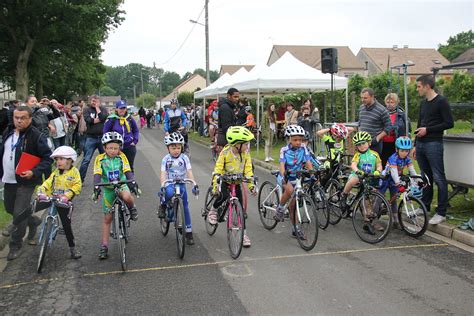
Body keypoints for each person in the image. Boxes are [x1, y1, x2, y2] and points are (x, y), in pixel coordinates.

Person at [6, 146, 83, 259]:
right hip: (51, 197)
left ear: (70, 160)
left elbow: (77, 185)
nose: (58, 162)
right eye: (56, 159)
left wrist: (67, 195)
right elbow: (47, 182)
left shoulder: (74, 172)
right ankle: (14, 224)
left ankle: (72, 248)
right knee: (31, 208)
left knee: (66, 225)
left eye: (61, 159)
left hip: (63, 200)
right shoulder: (56, 172)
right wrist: (41, 191)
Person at [0, 106, 53, 260]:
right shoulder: (8, 132)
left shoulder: (36, 136)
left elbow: (48, 158)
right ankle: (33, 221)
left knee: (19, 213)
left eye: (23, 118)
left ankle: (15, 245)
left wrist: (34, 172)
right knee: (11, 208)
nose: (19, 121)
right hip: (9, 180)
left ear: (30, 119)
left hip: (25, 181)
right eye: (16, 117)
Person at [413, 75, 454, 225]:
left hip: (434, 144)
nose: (417, 89)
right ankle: (424, 206)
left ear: (427, 86)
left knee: (438, 177)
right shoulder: (423, 103)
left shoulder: (441, 102)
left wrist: (428, 130)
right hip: (422, 144)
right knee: (425, 177)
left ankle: (441, 212)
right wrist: (415, 144)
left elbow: (449, 123)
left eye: (418, 86)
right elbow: (419, 123)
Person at [92, 132, 139, 260]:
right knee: (107, 219)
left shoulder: (122, 157)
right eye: (109, 148)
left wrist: (133, 182)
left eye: (115, 148)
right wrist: (96, 186)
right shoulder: (99, 159)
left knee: (128, 197)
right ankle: (104, 246)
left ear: (119, 148)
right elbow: (97, 173)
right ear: (105, 148)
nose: (112, 151)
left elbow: (127, 171)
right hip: (108, 188)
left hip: (121, 184)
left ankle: (131, 208)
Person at [208, 126, 256, 247]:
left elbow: (248, 169)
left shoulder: (245, 153)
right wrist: (216, 183)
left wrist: (251, 185)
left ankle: (243, 234)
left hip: (237, 182)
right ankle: (213, 210)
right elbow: (218, 168)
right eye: (245, 144)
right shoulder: (225, 152)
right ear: (236, 144)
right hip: (225, 180)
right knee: (223, 196)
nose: (247, 146)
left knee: (241, 210)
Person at [273, 125, 314, 240]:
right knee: (290, 190)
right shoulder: (284, 150)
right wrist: (284, 175)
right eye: (295, 140)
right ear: (289, 139)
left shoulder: (303, 148)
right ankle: (280, 209)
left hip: (297, 177)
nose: (298, 142)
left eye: (300, 140)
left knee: (293, 206)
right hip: (285, 176)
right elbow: (281, 165)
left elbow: (308, 162)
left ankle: (296, 229)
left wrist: (312, 173)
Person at [158, 132, 199, 245]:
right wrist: (162, 185)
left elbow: (189, 171)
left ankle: (189, 232)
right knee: (169, 192)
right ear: (168, 148)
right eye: (173, 148)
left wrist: (193, 183)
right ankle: (163, 205)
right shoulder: (165, 159)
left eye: (178, 147)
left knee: (185, 207)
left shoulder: (184, 158)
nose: (176, 150)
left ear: (181, 147)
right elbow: (163, 173)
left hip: (181, 183)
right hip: (170, 183)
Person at [340, 131, 383, 234]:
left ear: (369, 143)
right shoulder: (357, 155)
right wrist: (357, 171)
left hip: (369, 178)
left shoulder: (374, 154)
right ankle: (344, 195)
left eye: (363, 143)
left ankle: (368, 221)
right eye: (359, 145)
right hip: (358, 175)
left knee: (368, 200)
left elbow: (379, 165)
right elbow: (353, 165)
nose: (361, 146)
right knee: (353, 180)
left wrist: (378, 171)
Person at [379, 137, 419, 229]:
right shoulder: (393, 158)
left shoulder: (407, 159)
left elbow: (412, 171)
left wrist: (417, 179)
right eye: (402, 151)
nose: (404, 153)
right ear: (397, 149)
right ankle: (372, 220)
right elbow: (393, 171)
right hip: (386, 179)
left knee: (394, 200)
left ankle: (396, 220)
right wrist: (398, 182)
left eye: (406, 151)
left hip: (395, 180)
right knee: (379, 198)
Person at [103, 100, 139, 171]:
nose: (122, 110)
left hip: (129, 146)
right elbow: (105, 133)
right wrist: (108, 146)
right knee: (116, 167)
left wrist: (134, 141)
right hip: (116, 148)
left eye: (124, 108)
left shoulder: (130, 118)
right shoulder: (111, 119)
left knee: (129, 167)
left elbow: (136, 130)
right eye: (120, 108)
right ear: (116, 109)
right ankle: (118, 182)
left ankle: (129, 181)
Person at [79, 95, 108, 182]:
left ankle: (109, 178)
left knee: (106, 159)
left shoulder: (103, 109)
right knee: (86, 160)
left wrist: (97, 109)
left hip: (102, 137)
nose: (94, 102)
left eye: (96, 101)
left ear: (99, 102)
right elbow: (89, 120)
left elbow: (103, 117)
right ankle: (80, 180)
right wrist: (99, 119)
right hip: (91, 137)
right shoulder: (86, 109)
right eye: (92, 101)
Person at [358, 88, 392, 155]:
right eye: (361, 98)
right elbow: (360, 123)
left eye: (365, 98)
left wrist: (377, 138)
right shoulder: (361, 108)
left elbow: (389, 127)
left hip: (374, 145)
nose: (362, 100)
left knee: (374, 164)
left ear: (372, 97)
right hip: (361, 143)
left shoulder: (382, 110)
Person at [380, 93, 410, 166]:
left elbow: (408, 127)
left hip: (395, 143)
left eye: (392, 102)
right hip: (383, 143)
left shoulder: (402, 114)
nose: (390, 104)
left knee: (395, 162)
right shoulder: (381, 113)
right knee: (383, 162)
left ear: (396, 103)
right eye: (388, 102)